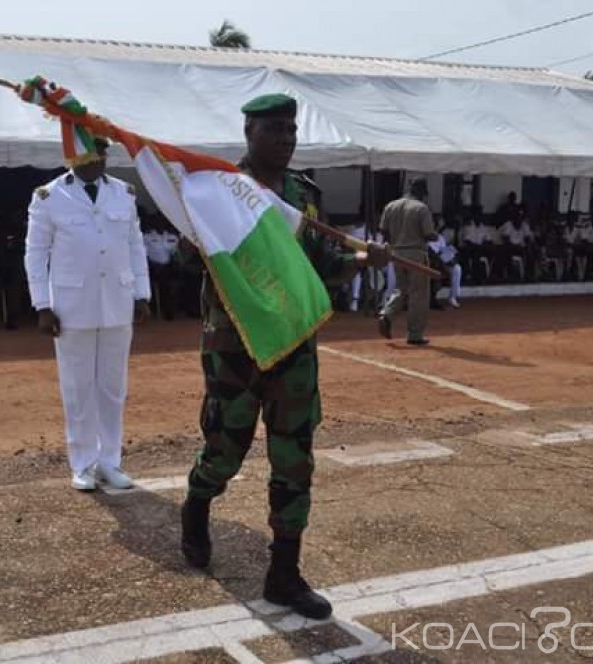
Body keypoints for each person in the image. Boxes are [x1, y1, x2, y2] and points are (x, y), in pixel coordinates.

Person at [178, 94, 388, 621]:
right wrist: (202, 231)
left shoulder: (302, 196)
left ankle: (284, 574)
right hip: (235, 346)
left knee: (294, 459)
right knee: (224, 451)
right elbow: (188, 257)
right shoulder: (220, 187)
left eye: (291, 129)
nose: (286, 138)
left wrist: (362, 259)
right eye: (274, 129)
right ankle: (198, 503)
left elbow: (323, 265)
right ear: (248, 132)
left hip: (293, 344)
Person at [25, 137, 151, 492]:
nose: (96, 160)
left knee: (113, 389)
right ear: (71, 156)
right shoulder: (48, 196)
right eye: (87, 154)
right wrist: (42, 305)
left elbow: (134, 244)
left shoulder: (123, 193)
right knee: (78, 389)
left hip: (118, 300)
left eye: (101, 153)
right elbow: (35, 253)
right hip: (71, 306)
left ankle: (110, 462)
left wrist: (141, 293)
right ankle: (83, 463)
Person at [377, 178, 438, 345]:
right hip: (416, 254)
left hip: (397, 253)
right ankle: (415, 334)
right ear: (421, 192)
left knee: (401, 289)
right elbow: (428, 234)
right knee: (418, 294)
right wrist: (435, 234)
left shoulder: (391, 206)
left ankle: (387, 313)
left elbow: (384, 232)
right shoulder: (421, 208)